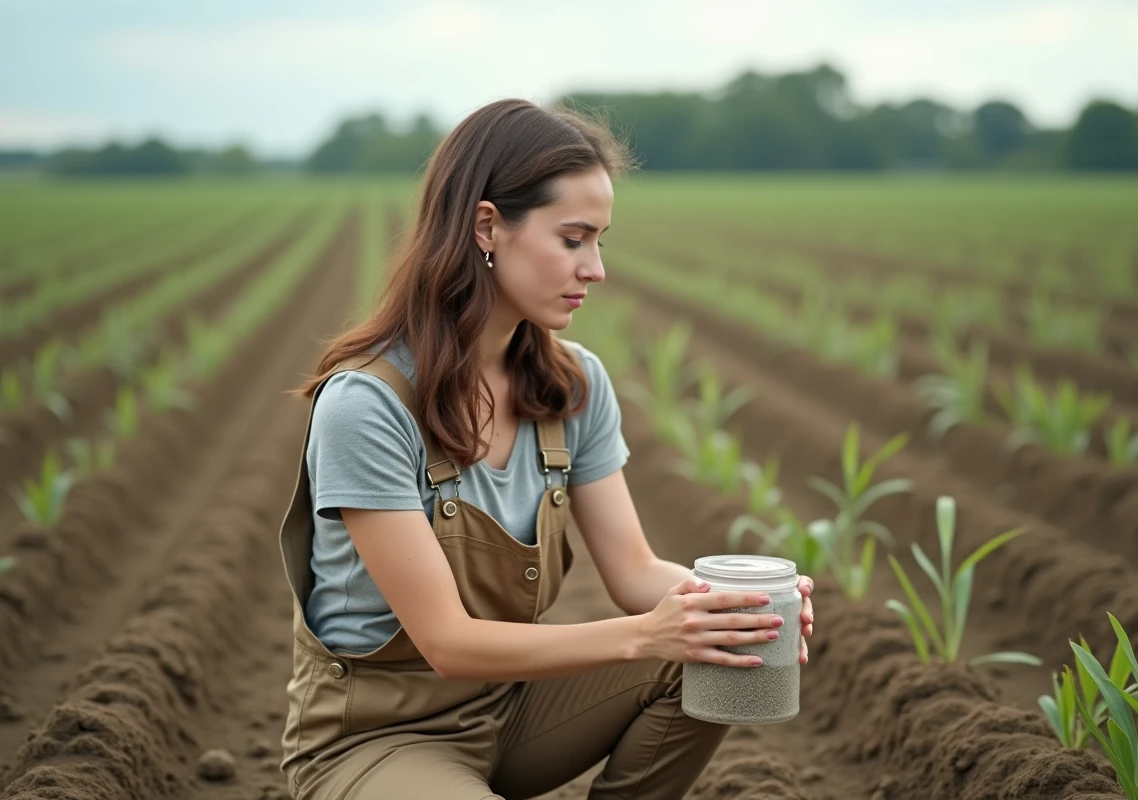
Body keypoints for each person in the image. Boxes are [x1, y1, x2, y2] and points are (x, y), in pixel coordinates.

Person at [276, 98, 816, 800]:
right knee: (672, 646)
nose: (595, 268)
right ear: (487, 226)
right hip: (376, 740)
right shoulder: (369, 404)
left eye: (601, 241)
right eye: (573, 239)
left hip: (511, 712)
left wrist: (737, 610)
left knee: (709, 655)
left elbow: (632, 571)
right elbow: (447, 643)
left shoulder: (574, 384)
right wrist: (646, 637)